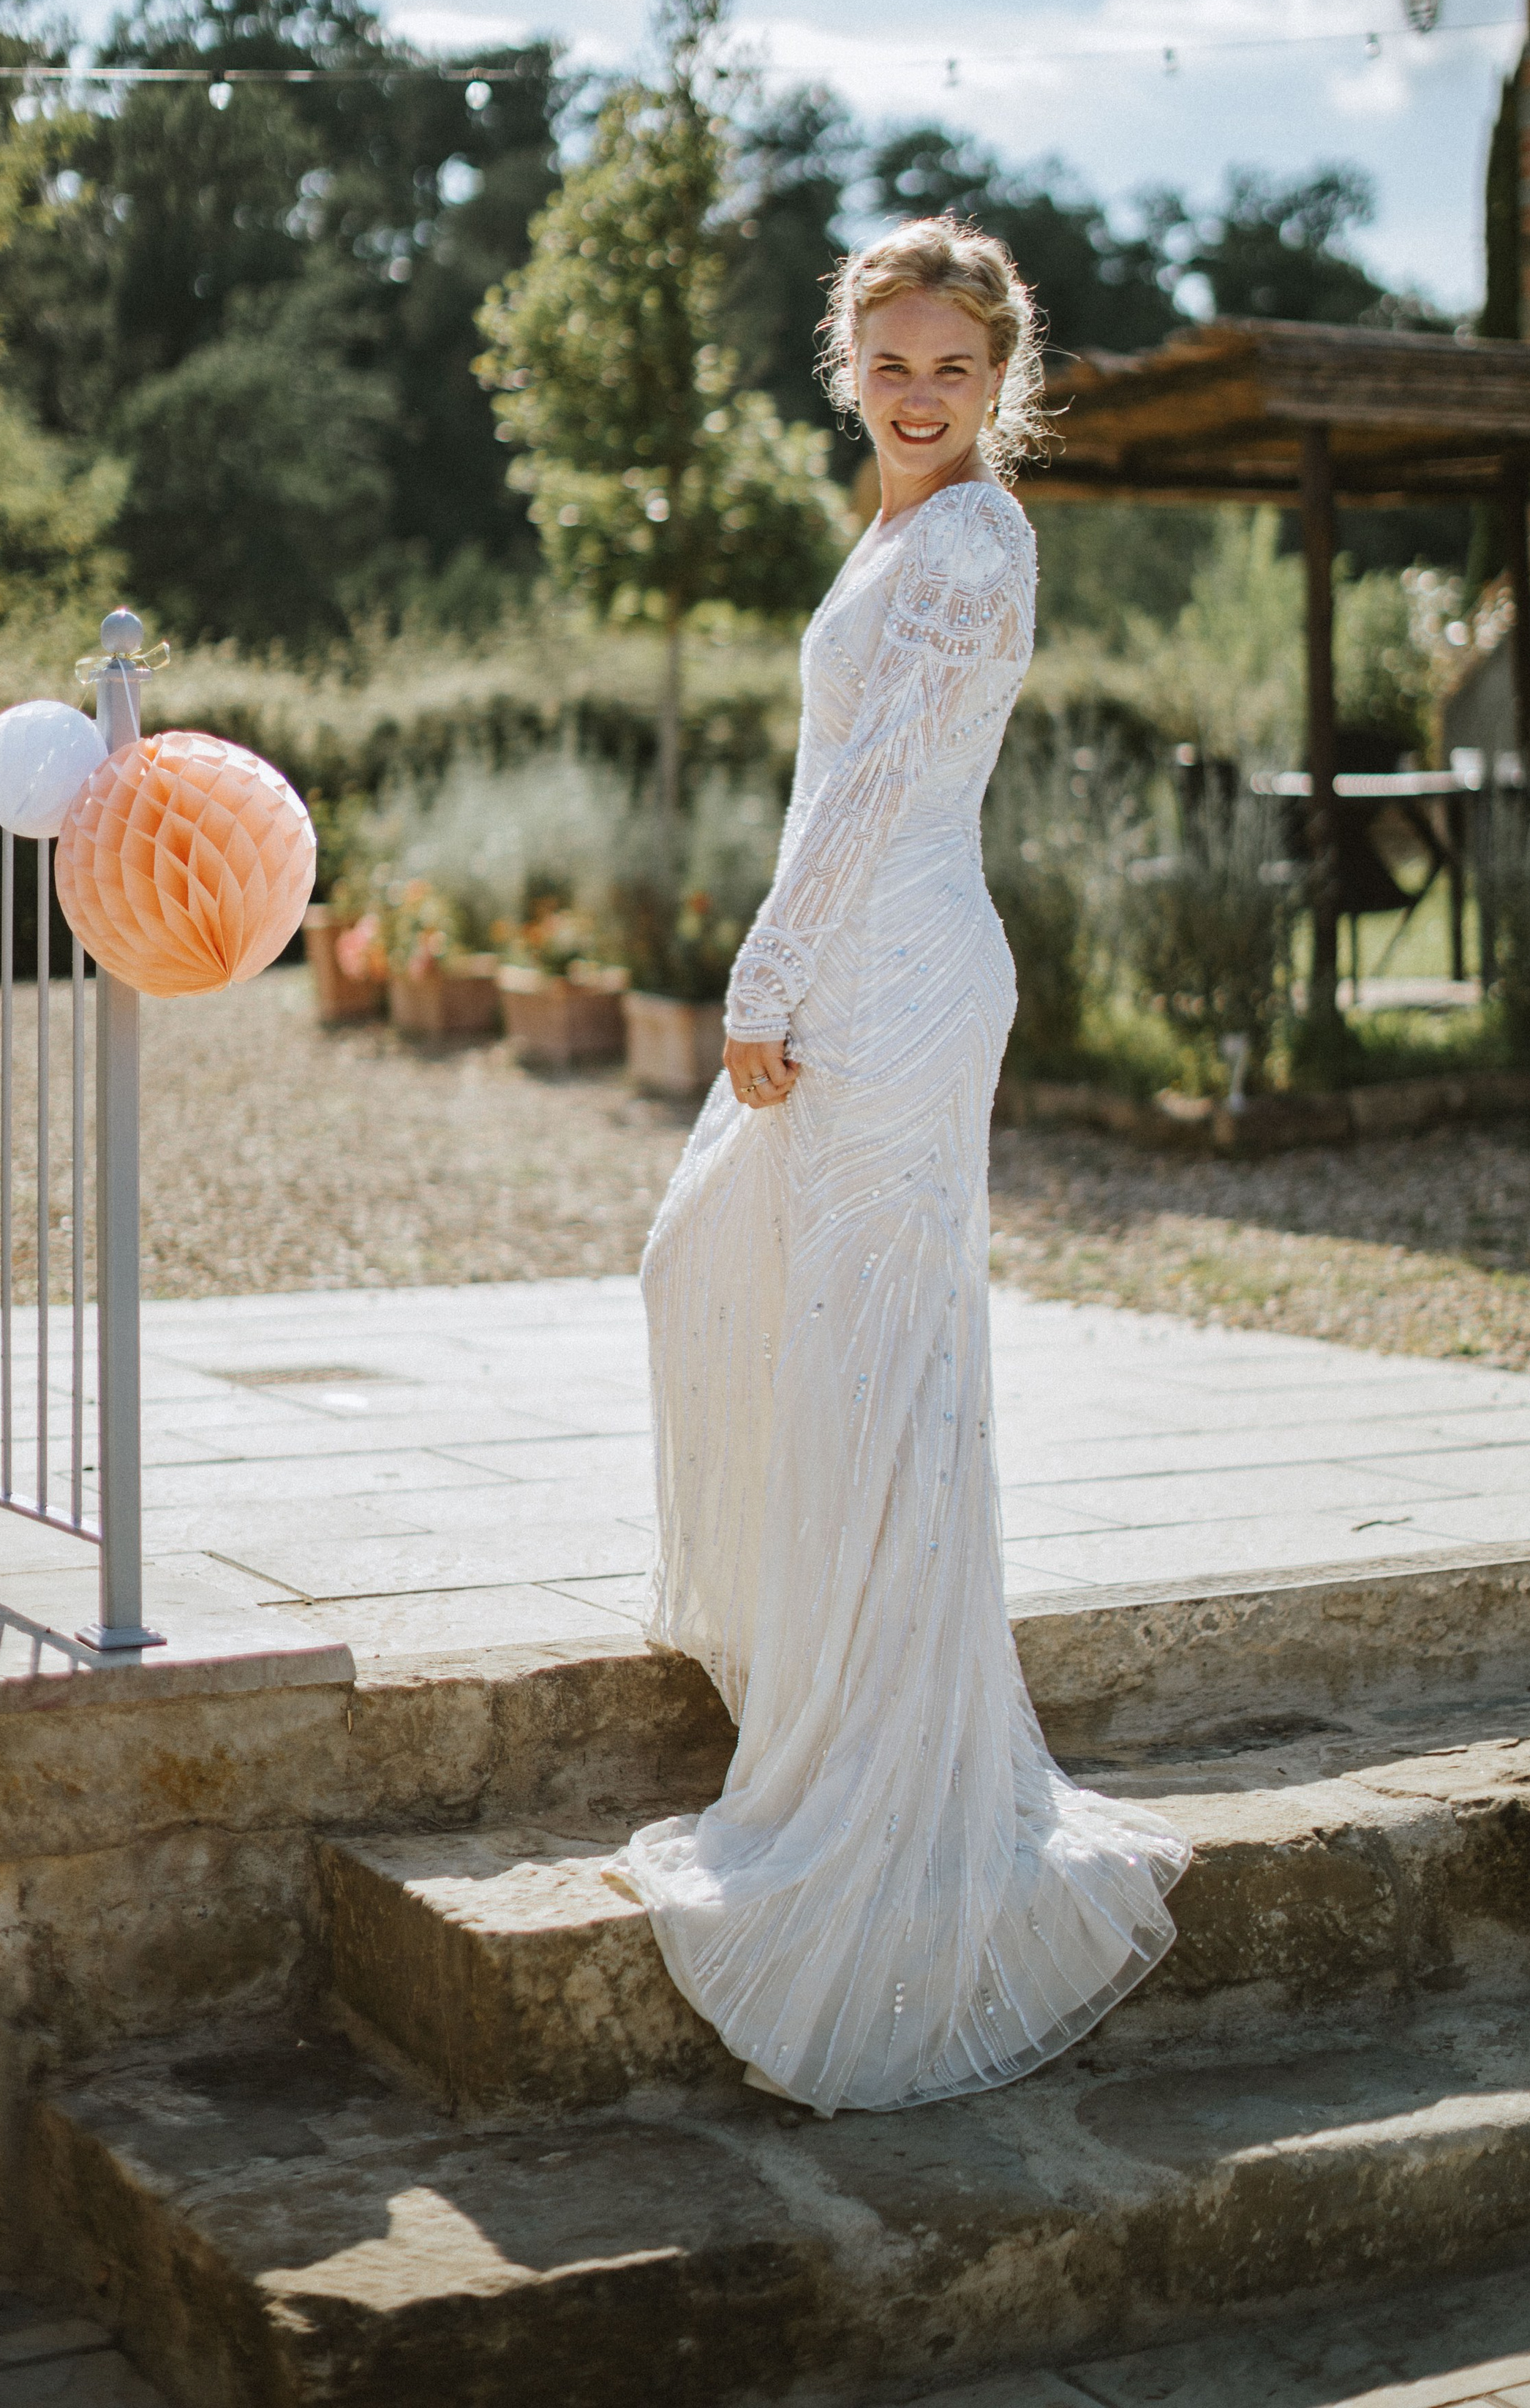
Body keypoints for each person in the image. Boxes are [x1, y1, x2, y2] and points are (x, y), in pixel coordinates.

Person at [603, 216, 1188, 2116]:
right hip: (853, 959)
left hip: (898, 973)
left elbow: (868, 794)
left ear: (1000, 380)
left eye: (955, 367)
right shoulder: (886, 531)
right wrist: (782, 960)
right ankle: (812, 1682)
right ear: (845, 362)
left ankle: (881, 1777)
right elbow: (825, 779)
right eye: (893, 361)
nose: (921, 393)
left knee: (879, 1361)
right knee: (723, 1277)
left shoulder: (977, 540)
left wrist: (766, 970)